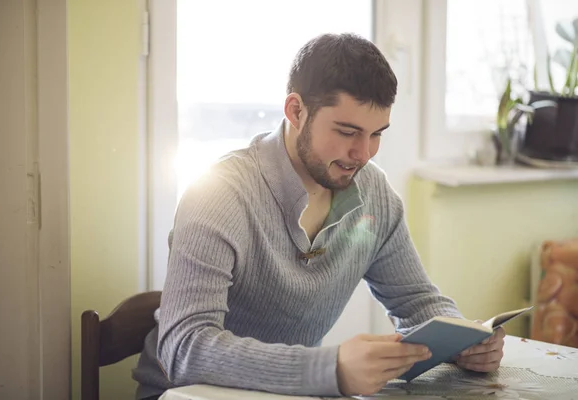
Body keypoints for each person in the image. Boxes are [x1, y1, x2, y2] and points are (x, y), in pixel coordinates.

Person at [132, 33, 505, 400]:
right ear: (296, 111)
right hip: (184, 395)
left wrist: (463, 339)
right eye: (347, 131)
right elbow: (184, 349)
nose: (363, 153)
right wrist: (331, 369)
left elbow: (417, 302)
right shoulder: (218, 194)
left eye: (377, 134)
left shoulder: (373, 193)